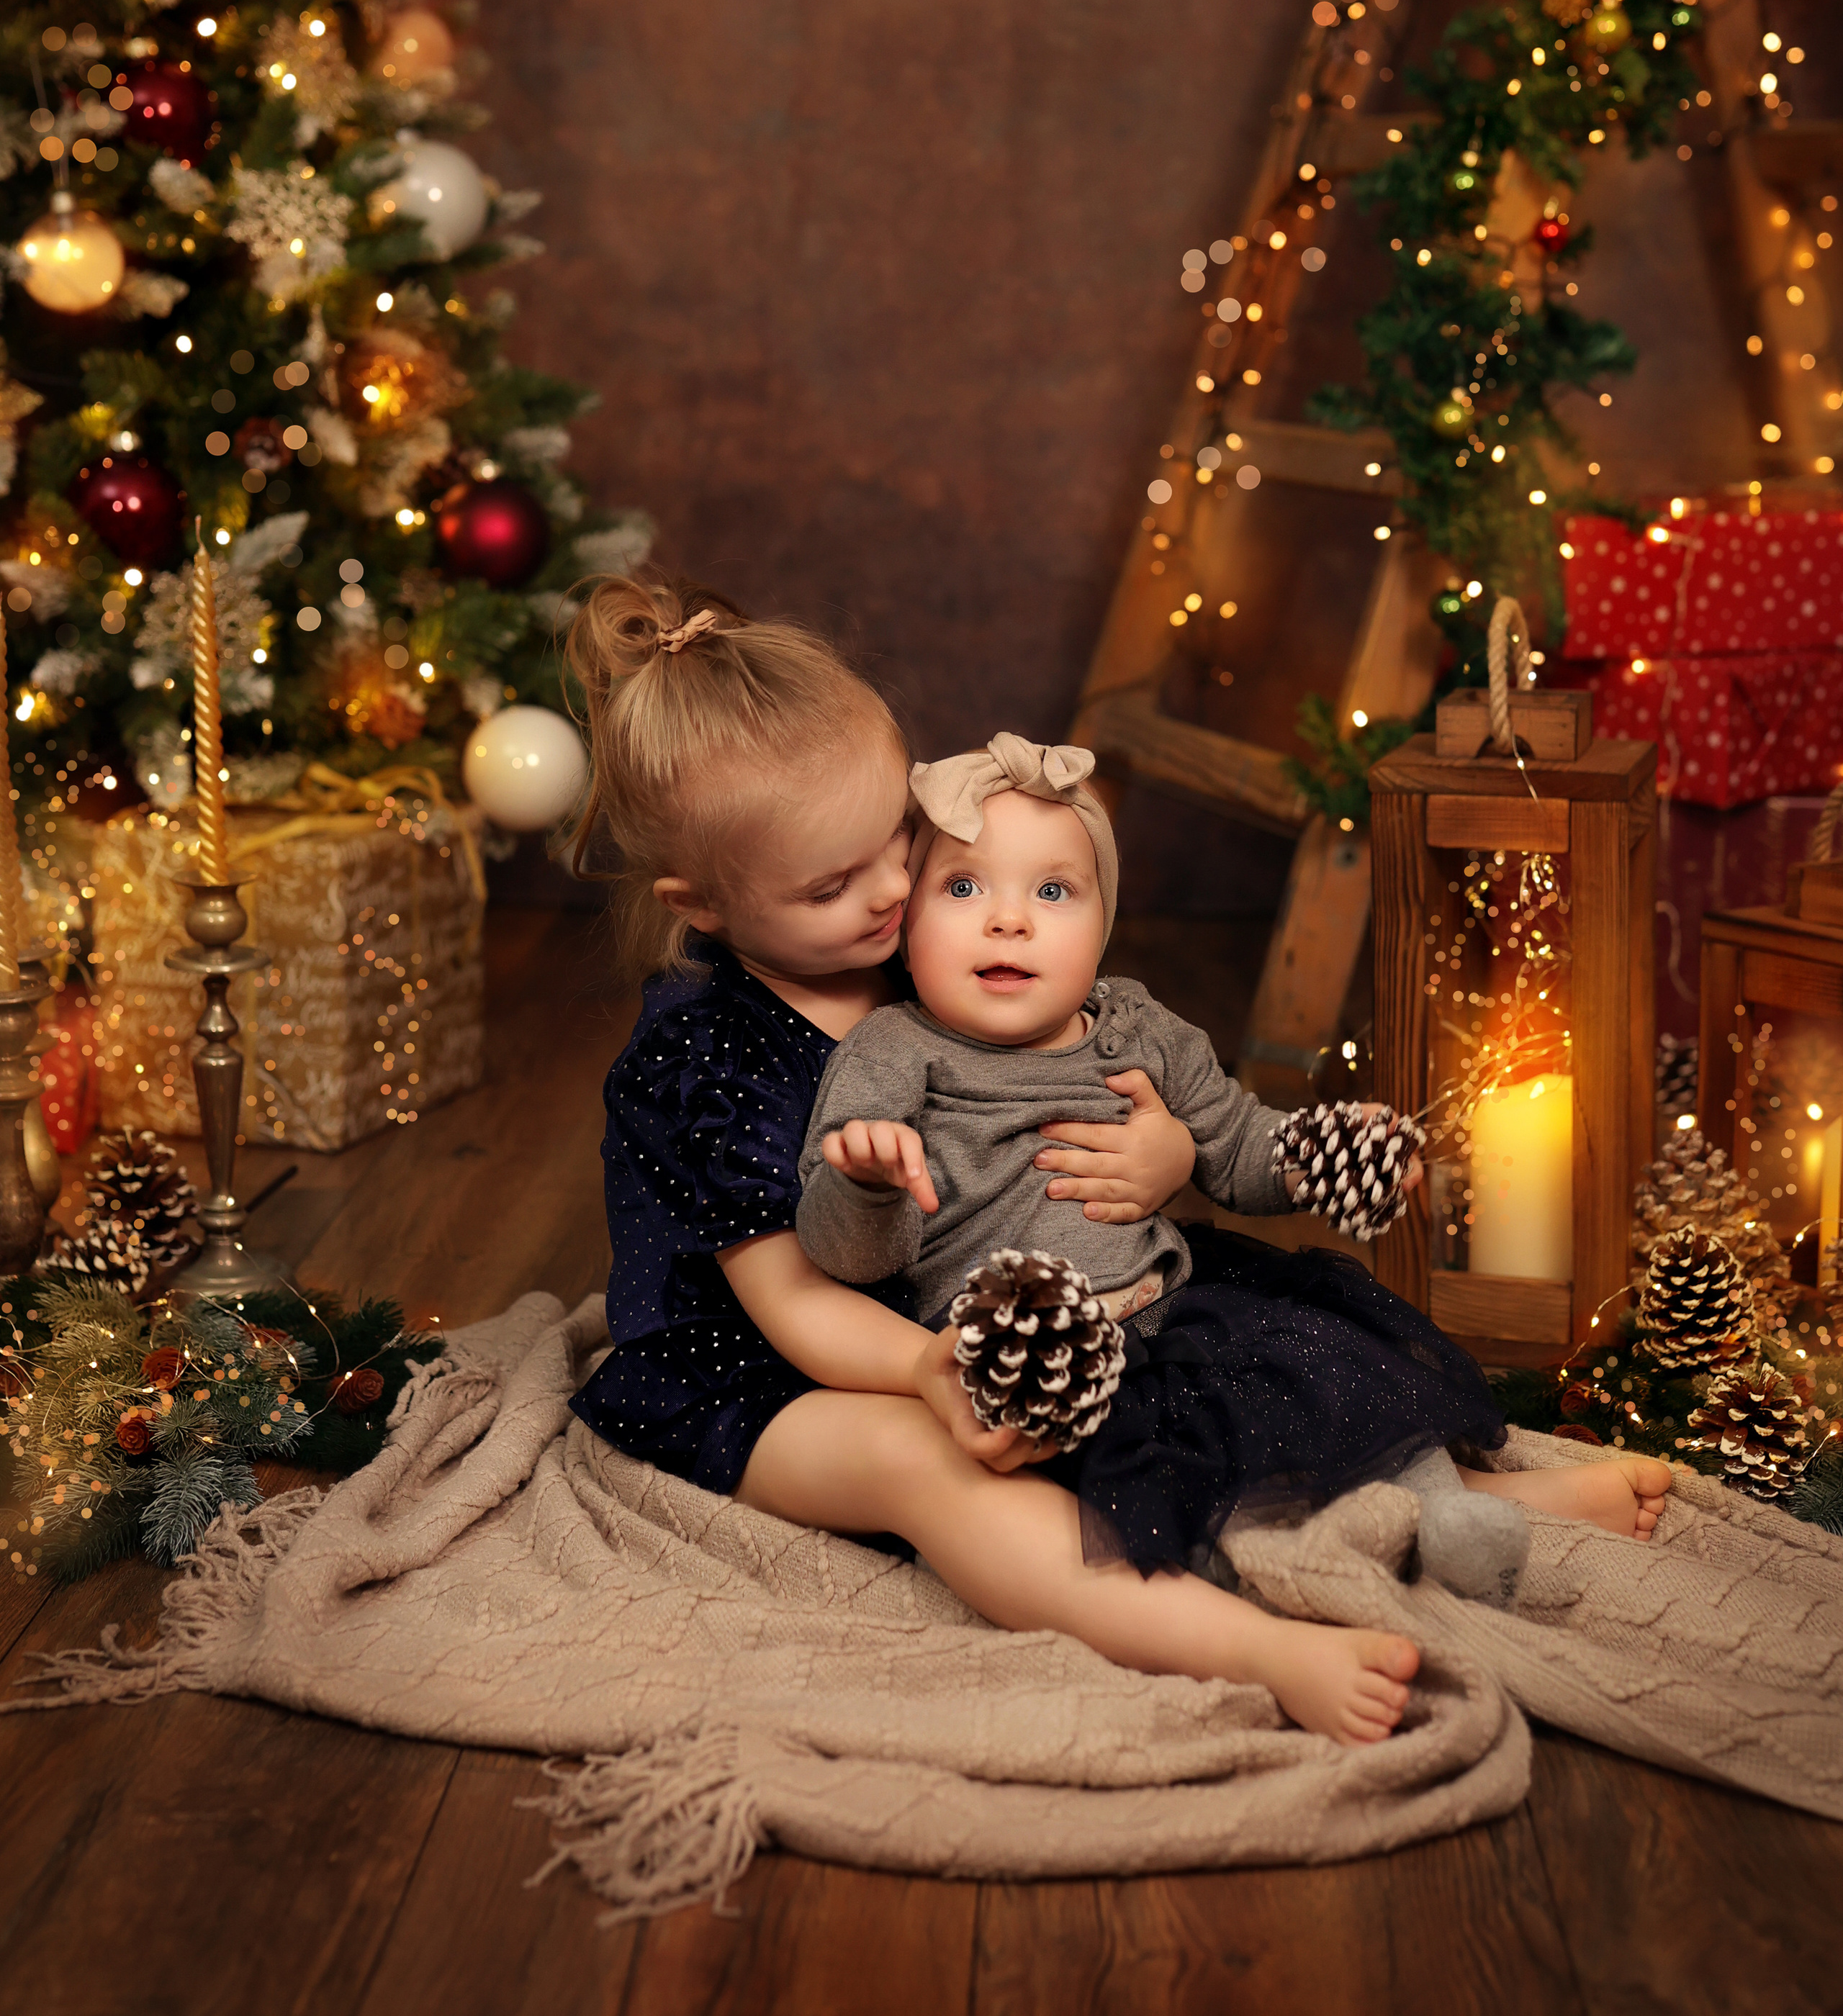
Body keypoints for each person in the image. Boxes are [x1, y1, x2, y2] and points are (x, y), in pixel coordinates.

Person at [564, 576, 1669, 1748]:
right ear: (706, 908)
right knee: (926, 1465)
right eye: (834, 883)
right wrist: (933, 1371)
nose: (894, 889)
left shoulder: (918, 941)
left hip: (992, 1294)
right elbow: (789, 1299)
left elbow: (1082, 1053)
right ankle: (1250, 1643)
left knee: (1200, 1332)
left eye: (897, 839)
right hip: (771, 1368)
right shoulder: (703, 1053)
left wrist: (1168, 1152)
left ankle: (1444, 1498)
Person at [794, 732, 1620, 1602]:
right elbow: (849, 1258)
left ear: (1103, 922)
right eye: (962, 887)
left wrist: (1325, 1157)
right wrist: (864, 1181)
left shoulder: (1139, 1027)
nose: (1010, 918)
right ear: (906, 924)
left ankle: (1450, 1515)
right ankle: (1301, 1566)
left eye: (1053, 890)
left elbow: (1239, 1146)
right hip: (1041, 1370)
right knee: (1169, 1491)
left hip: (1182, 1307)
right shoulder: (894, 1050)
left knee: (1326, 1375)